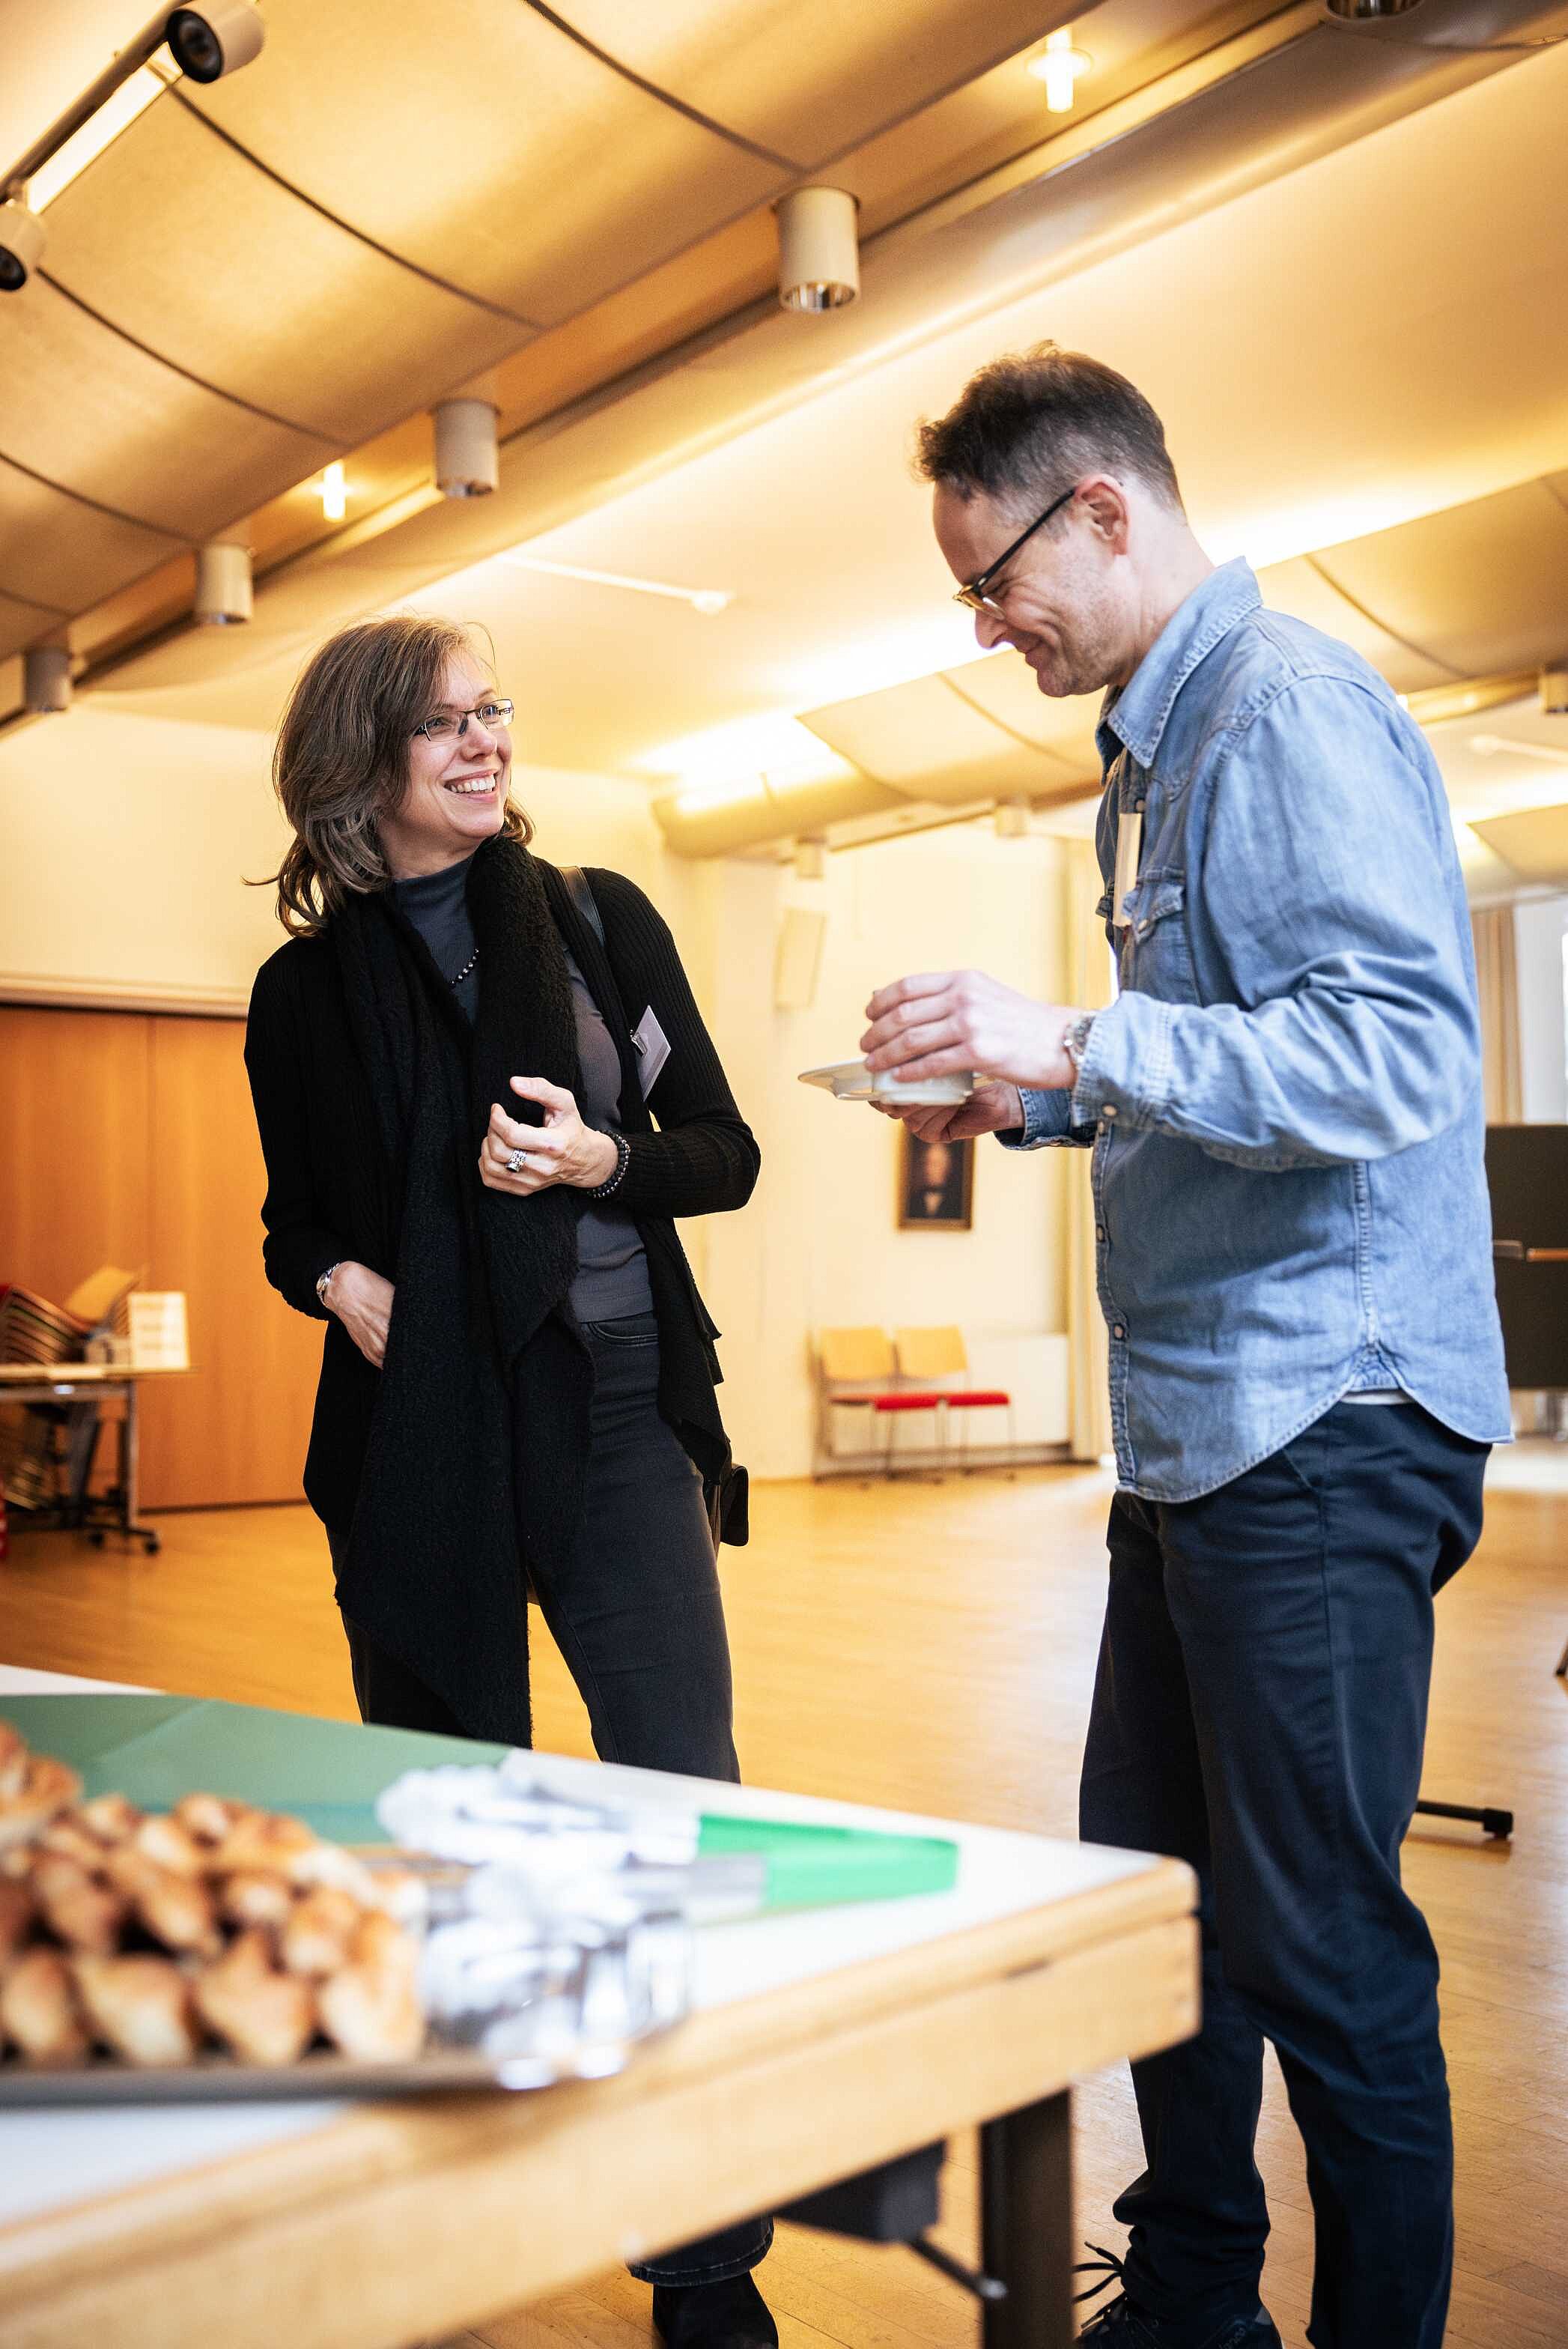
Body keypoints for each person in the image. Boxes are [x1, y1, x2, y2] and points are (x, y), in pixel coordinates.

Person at [862, 345, 1509, 2349]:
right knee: (1157, 1899)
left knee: (1317, 1945)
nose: (986, 625)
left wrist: (1062, 1032)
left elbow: (1396, 1055)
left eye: (994, 583)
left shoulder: (1284, 709)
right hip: (1206, 1429)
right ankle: (1194, 2293)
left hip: (1322, 1410)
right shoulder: (1148, 759)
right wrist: (1029, 1098)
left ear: (1106, 512)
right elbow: (1222, 1065)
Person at [244, 613, 774, 2349]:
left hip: (614, 1410)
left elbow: (725, 1151)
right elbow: (294, 1222)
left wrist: (598, 1156)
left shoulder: (603, 915)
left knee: (679, 1822)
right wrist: (343, 1281)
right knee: (448, 1847)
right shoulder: (304, 991)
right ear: (360, 766)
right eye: (445, 725)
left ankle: (707, 2264)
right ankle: (447, 2210)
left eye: (497, 713)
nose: (486, 744)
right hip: (424, 1447)